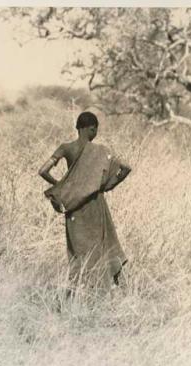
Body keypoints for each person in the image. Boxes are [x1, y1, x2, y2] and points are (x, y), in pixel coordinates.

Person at [39, 112, 131, 295]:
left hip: (74, 208)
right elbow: (126, 168)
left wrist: (63, 186)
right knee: (102, 247)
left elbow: (43, 170)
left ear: (77, 127)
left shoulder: (66, 148)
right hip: (96, 205)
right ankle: (107, 290)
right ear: (92, 128)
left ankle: (76, 293)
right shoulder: (102, 151)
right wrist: (107, 185)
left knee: (78, 252)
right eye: (95, 129)